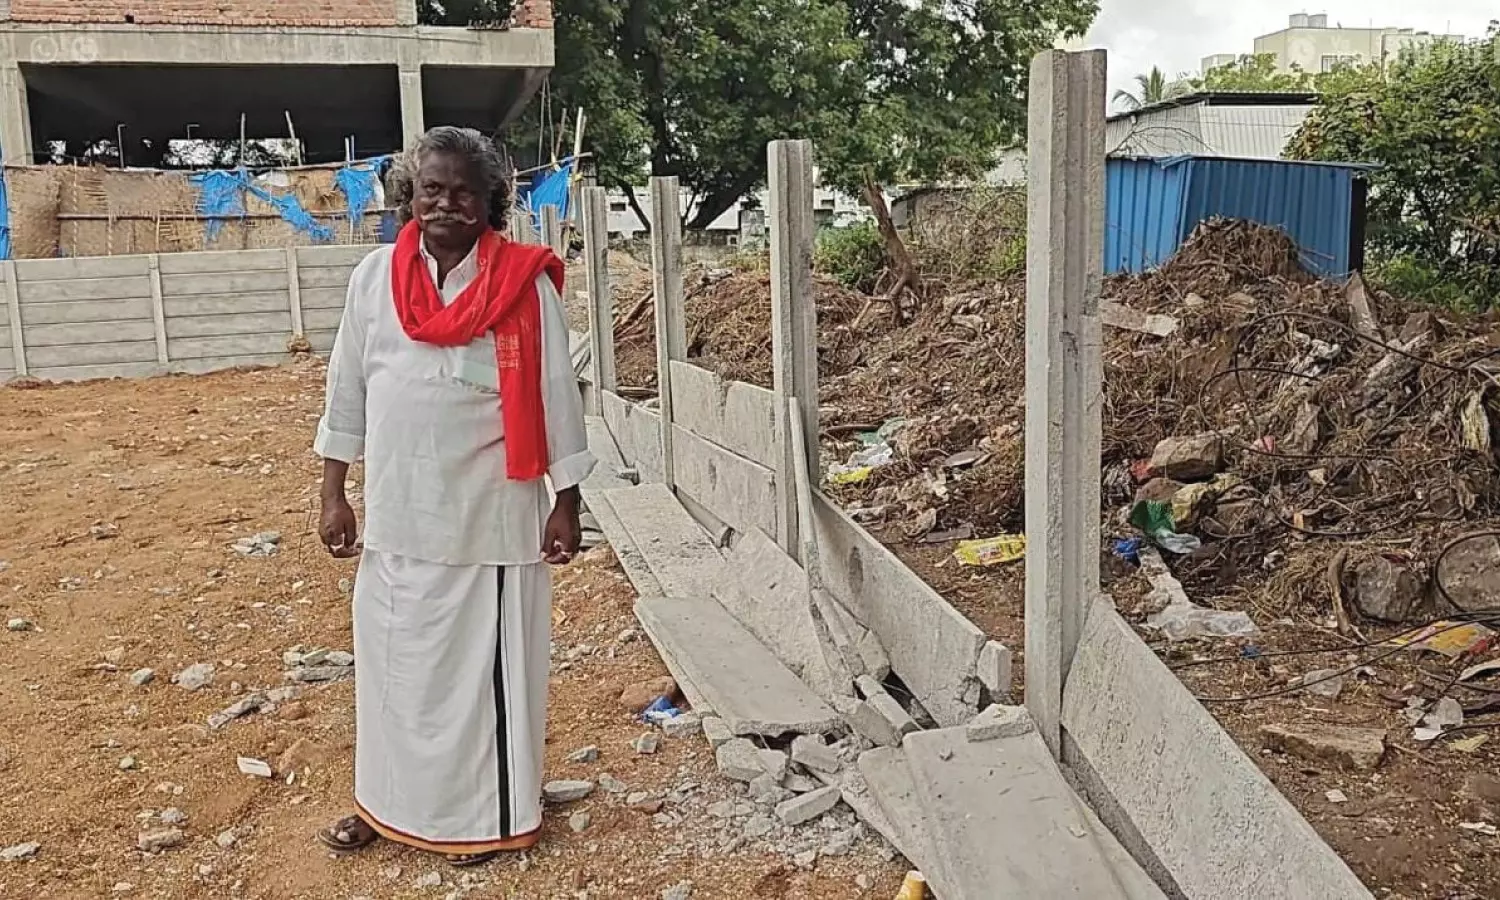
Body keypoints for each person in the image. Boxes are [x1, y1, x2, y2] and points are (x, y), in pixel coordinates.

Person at [312, 126, 595, 867]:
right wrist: (333, 490)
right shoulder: (374, 278)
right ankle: (387, 804)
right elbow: (348, 387)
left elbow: (555, 394)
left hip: (492, 520)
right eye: (431, 188)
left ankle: (480, 820)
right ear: (410, 195)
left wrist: (566, 499)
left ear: (491, 201)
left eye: (464, 191)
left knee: (480, 683)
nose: (446, 203)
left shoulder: (524, 282)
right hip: (399, 514)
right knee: (392, 669)